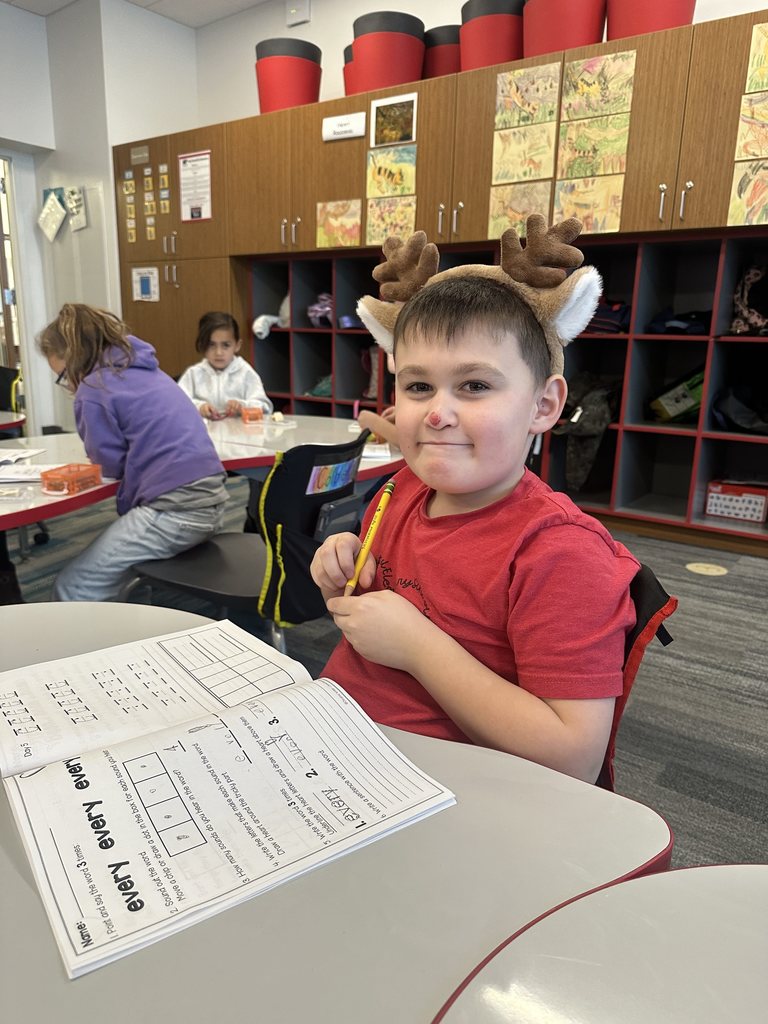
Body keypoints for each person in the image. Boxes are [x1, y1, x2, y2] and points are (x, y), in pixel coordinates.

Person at [311, 230, 641, 785]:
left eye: (474, 385)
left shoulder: (561, 554)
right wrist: (340, 572)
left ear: (543, 404)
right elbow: (375, 630)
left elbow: (574, 758)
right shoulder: (399, 492)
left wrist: (419, 647)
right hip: (343, 749)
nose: (437, 413)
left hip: (449, 788)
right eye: (417, 386)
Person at [37, 304, 228, 601]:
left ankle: (93, 645)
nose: (68, 385)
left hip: (175, 512)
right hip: (213, 504)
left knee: (72, 586)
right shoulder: (146, 370)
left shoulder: (93, 388)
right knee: (124, 571)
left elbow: (109, 465)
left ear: (75, 361)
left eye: (63, 376)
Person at [177, 311, 272, 420]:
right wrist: (199, 407)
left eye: (226, 345)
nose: (218, 352)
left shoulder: (246, 373)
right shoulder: (193, 374)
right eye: (211, 345)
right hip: (205, 434)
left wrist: (242, 406)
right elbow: (178, 404)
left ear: (237, 345)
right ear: (202, 345)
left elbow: (265, 407)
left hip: (239, 435)